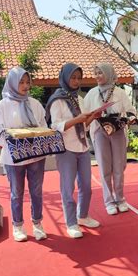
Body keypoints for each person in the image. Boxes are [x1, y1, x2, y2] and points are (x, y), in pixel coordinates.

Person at [0, 67, 48, 242]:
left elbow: (43, 126)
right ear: (12, 83)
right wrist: (13, 142)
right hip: (13, 157)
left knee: (36, 191)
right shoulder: (3, 105)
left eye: (27, 82)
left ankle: (37, 224)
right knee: (17, 192)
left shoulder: (35, 104)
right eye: (21, 82)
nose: (25, 86)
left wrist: (36, 135)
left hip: (36, 155)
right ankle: (18, 226)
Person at [46, 63, 102, 239]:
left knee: (86, 186)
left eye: (79, 78)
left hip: (82, 146)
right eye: (73, 77)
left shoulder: (79, 99)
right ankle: (71, 223)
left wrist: (93, 117)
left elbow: (83, 125)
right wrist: (76, 119)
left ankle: (83, 216)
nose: (76, 81)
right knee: (67, 188)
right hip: (66, 149)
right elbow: (55, 126)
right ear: (65, 77)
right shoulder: (57, 99)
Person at [84, 63, 137, 215]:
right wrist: (94, 115)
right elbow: (85, 116)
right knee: (104, 167)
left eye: (101, 73)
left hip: (118, 131)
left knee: (119, 167)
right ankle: (109, 201)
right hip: (100, 132)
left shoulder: (120, 92)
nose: (98, 76)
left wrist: (129, 118)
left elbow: (130, 111)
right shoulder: (91, 93)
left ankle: (120, 199)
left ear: (108, 73)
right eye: (96, 73)